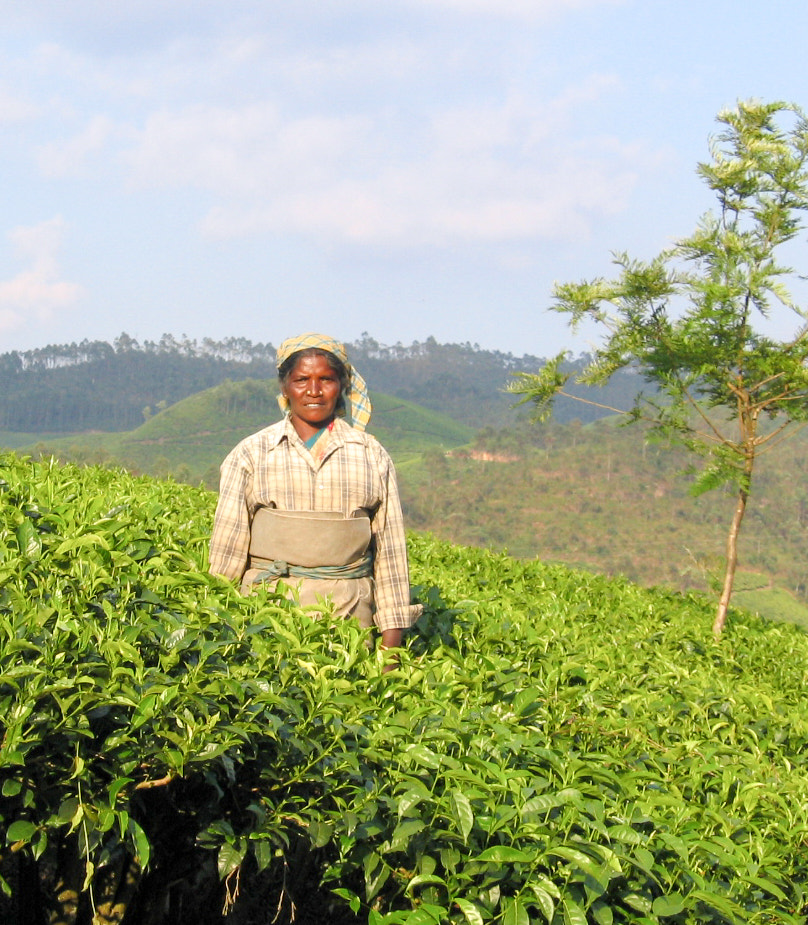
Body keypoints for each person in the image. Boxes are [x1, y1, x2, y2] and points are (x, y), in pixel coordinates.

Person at [209, 332, 422, 659]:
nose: (313, 390)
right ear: (285, 387)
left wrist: (390, 653)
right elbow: (228, 552)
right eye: (301, 380)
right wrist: (214, 626)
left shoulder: (371, 456)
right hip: (265, 615)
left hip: (349, 621)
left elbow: (391, 556)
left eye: (326, 379)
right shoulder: (252, 454)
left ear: (342, 386)